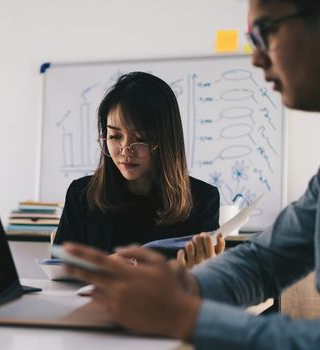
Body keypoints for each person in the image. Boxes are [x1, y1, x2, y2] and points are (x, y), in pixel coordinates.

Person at [63, 0, 320, 348]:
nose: (255, 59)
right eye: (114, 135)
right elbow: (262, 263)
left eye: (264, 32)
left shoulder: (200, 197)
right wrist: (180, 288)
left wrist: (188, 315)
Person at [53, 72, 225, 265]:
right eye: (115, 136)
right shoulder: (81, 193)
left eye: (141, 139)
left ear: (166, 140)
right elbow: (58, 268)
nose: (125, 150)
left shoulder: (202, 199)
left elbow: (203, 283)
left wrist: (205, 270)